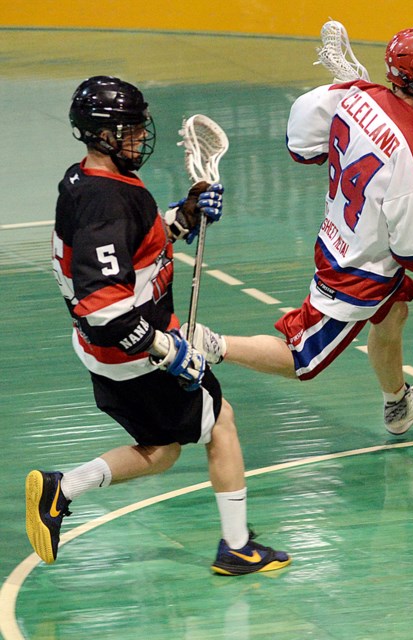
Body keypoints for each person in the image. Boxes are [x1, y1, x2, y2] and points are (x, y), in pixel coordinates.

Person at [26, 75, 290, 576]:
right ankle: (236, 547)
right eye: (126, 130)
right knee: (222, 422)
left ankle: (63, 489)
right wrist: (166, 351)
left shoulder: (87, 181)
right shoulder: (107, 202)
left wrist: (182, 216)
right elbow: (104, 307)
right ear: (102, 134)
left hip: (106, 354)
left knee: (163, 449)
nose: (136, 138)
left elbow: (130, 251)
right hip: (132, 354)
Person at [192, 28, 413, 436]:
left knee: (394, 314)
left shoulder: (356, 99)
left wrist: (349, 88)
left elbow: (301, 146)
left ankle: (398, 404)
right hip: (359, 269)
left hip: (344, 238)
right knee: (300, 357)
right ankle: (208, 344)